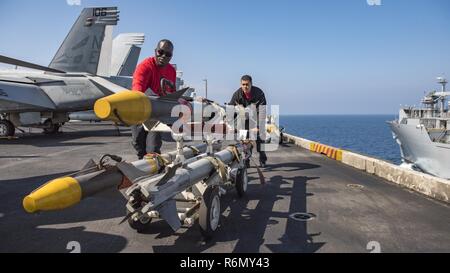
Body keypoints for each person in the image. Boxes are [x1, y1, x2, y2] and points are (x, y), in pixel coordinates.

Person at [131, 39, 176, 159]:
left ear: (171, 56)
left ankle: (154, 168)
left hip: (156, 114)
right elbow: (137, 90)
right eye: (160, 52)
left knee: (152, 148)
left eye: (168, 54)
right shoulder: (144, 67)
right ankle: (142, 164)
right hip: (140, 109)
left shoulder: (171, 71)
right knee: (138, 143)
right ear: (155, 51)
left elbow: (172, 93)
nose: (163, 56)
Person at [229, 75, 268, 167]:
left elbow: (262, 111)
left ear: (251, 84)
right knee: (244, 142)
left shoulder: (259, 93)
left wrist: (258, 127)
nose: (245, 87)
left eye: (247, 84)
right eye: (243, 84)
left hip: (255, 119)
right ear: (241, 84)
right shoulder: (237, 94)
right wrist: (231, 125)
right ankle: (246, 160)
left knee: (260, 141)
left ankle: (263, 159)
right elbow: (230, 110)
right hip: (243, 121)